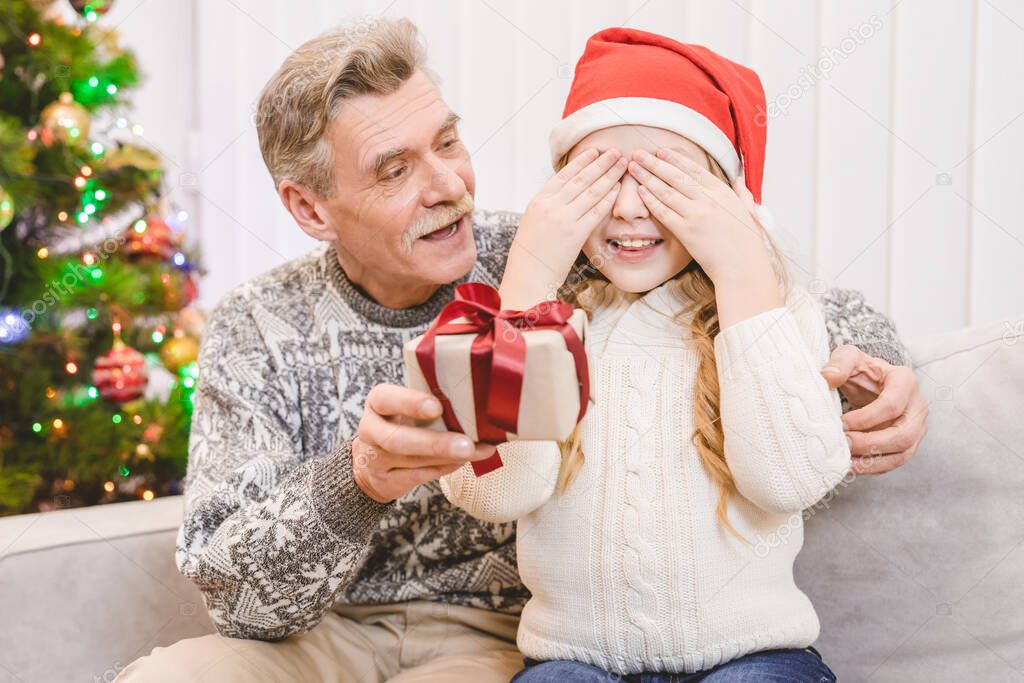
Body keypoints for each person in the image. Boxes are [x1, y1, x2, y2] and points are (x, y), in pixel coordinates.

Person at [118, 18, 926, 683]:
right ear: (311, 207)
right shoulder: (255, 327)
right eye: (396, 169)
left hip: (489, 638)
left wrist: (890, 373)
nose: (450, 187)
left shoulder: (545, 255)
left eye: (448, 142)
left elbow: (756, 298)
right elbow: (237, 597)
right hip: (315, 635)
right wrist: (357, 479)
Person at [442, 27, 846, 682]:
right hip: (575, 660)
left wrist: (742, 267)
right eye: (600, 179)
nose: (629, 208)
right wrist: (527, 283)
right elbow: (495, 489)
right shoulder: (548, 323)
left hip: (754, 656)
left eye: (663, 180)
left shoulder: (775, 312)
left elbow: (791, 477)